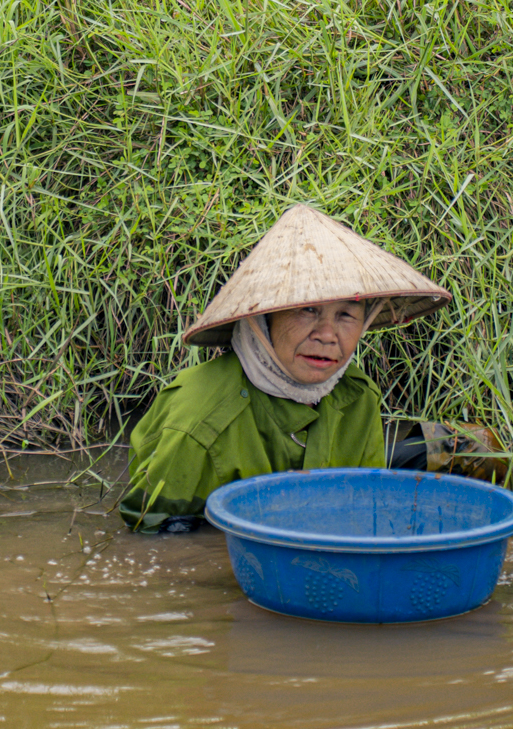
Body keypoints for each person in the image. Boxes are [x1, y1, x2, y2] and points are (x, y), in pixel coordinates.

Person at [119, 204, 458, 534]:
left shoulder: (357, 395)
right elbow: (152, 530)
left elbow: (362, 514)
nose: (327, 335)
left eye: (346, 315)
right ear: (262, 320)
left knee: (469, 447)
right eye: (307, 309)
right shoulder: (200, 419)